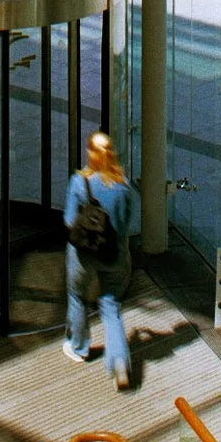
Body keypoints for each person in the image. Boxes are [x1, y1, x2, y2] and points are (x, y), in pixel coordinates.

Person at [63, 130, 139, 389]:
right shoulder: (124, 186)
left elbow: (69, 220)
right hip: (113, 253)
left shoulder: (79, 182)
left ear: (90, 153)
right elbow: (128, 224)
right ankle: (119, 362)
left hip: (83, 254)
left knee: (77, 297)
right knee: (111, 306)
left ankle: (79, 347)